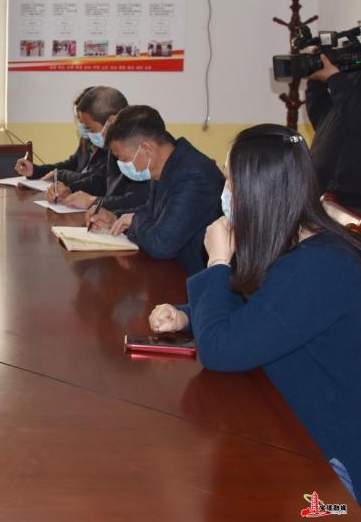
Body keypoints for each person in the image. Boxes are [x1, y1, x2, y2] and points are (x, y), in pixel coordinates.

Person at [148, 124, 361, 502]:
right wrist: (188, 315)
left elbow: (221, 351)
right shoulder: (292, 241)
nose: (225, 191)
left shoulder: (319, 266)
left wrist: (217, 261)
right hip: (292, 423)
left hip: (331, 462)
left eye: (231, 181)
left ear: (259, 191)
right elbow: (260, 309)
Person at [86, 105, 224, 273]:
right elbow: (150, 212)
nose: (121, 165)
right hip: (170, 270)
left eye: (123, 159)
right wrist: (115, 217)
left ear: (146, 149)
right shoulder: (166, 164)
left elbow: (161, 244)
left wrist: (134, 220)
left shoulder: (193, 176)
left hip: (192, 277)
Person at [42, 86, 149, 212]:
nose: (88, 135)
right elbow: (100, 180)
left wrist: (93, 202)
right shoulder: (112, 146)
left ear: (111, 121)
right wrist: (69, 190)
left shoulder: (140, 148)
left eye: (91, 129)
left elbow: (138, 200)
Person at [305, 52, 361, 211]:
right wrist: (316, 83)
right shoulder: (352, 71)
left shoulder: (342, 82)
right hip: (323, 191)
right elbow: (323, 121)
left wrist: (335, 79)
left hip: (353, 199)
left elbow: (356, 120)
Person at [15, 87, 96, 182]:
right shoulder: (86, 139)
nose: (80, 124)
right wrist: (35, 170)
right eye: (78, 119)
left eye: (83, 120)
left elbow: (95, 180)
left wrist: (59, 175)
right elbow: (71, 165)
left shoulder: (105, 144)